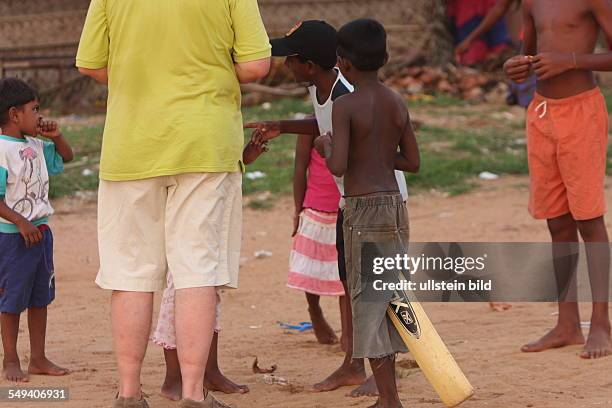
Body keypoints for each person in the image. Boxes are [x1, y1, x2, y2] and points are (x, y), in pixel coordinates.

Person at [76, 0, 271, 406]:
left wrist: (144, 79)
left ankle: (129, 393)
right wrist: (210, 72)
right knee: (197, 271)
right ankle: (194, 394)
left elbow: (90, 65)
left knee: (130, 273)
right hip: (204, 140)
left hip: (132, 144)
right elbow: (255, 66)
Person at [245, 20, 409, 397]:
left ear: (309, 64)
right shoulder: (323, 90)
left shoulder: (348, 94)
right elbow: (322, 122)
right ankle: (355, 363)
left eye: (290, 59)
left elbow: (348, 151)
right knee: (353, 285)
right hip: (349, 202)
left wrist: (324, 150)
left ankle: (385, 374)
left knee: (380, 288)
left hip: (378, 202)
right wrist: (282, 126)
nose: (285, 65)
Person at [314, 19, 420, 408]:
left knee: (367, 299)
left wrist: (326, 147)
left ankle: (389, 400)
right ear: (385, 58)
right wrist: (377, 153)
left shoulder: (344, 106)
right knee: (391, 293)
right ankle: (389, 396)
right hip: (394, 207)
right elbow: (412, 161)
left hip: (361, 209)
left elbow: (338, 166)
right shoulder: (396, 101)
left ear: (341, 63)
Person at [504, 0, 612, 359]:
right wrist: (518, 66)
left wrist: (572, 61)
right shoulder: (532, 2)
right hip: (542, 113)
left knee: (589, 220)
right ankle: (567, 324)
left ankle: (600, 323)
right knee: (558, 221)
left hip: (581, 112)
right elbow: (529, 53)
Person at [152, 141, 268, 401]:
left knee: (207, 284)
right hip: (189, 185)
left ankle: (209, 371)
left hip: (215, 185)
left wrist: (242, 156)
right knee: (186, 284)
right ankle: (174, 377)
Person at [0, 78, 73, 382]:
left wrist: (56, 137)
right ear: (15, 114)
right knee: (11, 300)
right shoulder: (2, 150)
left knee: (40, 298)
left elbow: (67, 157)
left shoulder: (37, 145)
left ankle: (38, 358)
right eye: (35, 109)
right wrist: (20, 221)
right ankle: (11, 359)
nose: (40, 116)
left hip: (41, 234)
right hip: (13, 239)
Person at [448, 0, 514, 66]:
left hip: (481, 14)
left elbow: (500, 8)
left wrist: (468, 41)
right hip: (469, 14)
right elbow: (500, 8)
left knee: (500, 56)